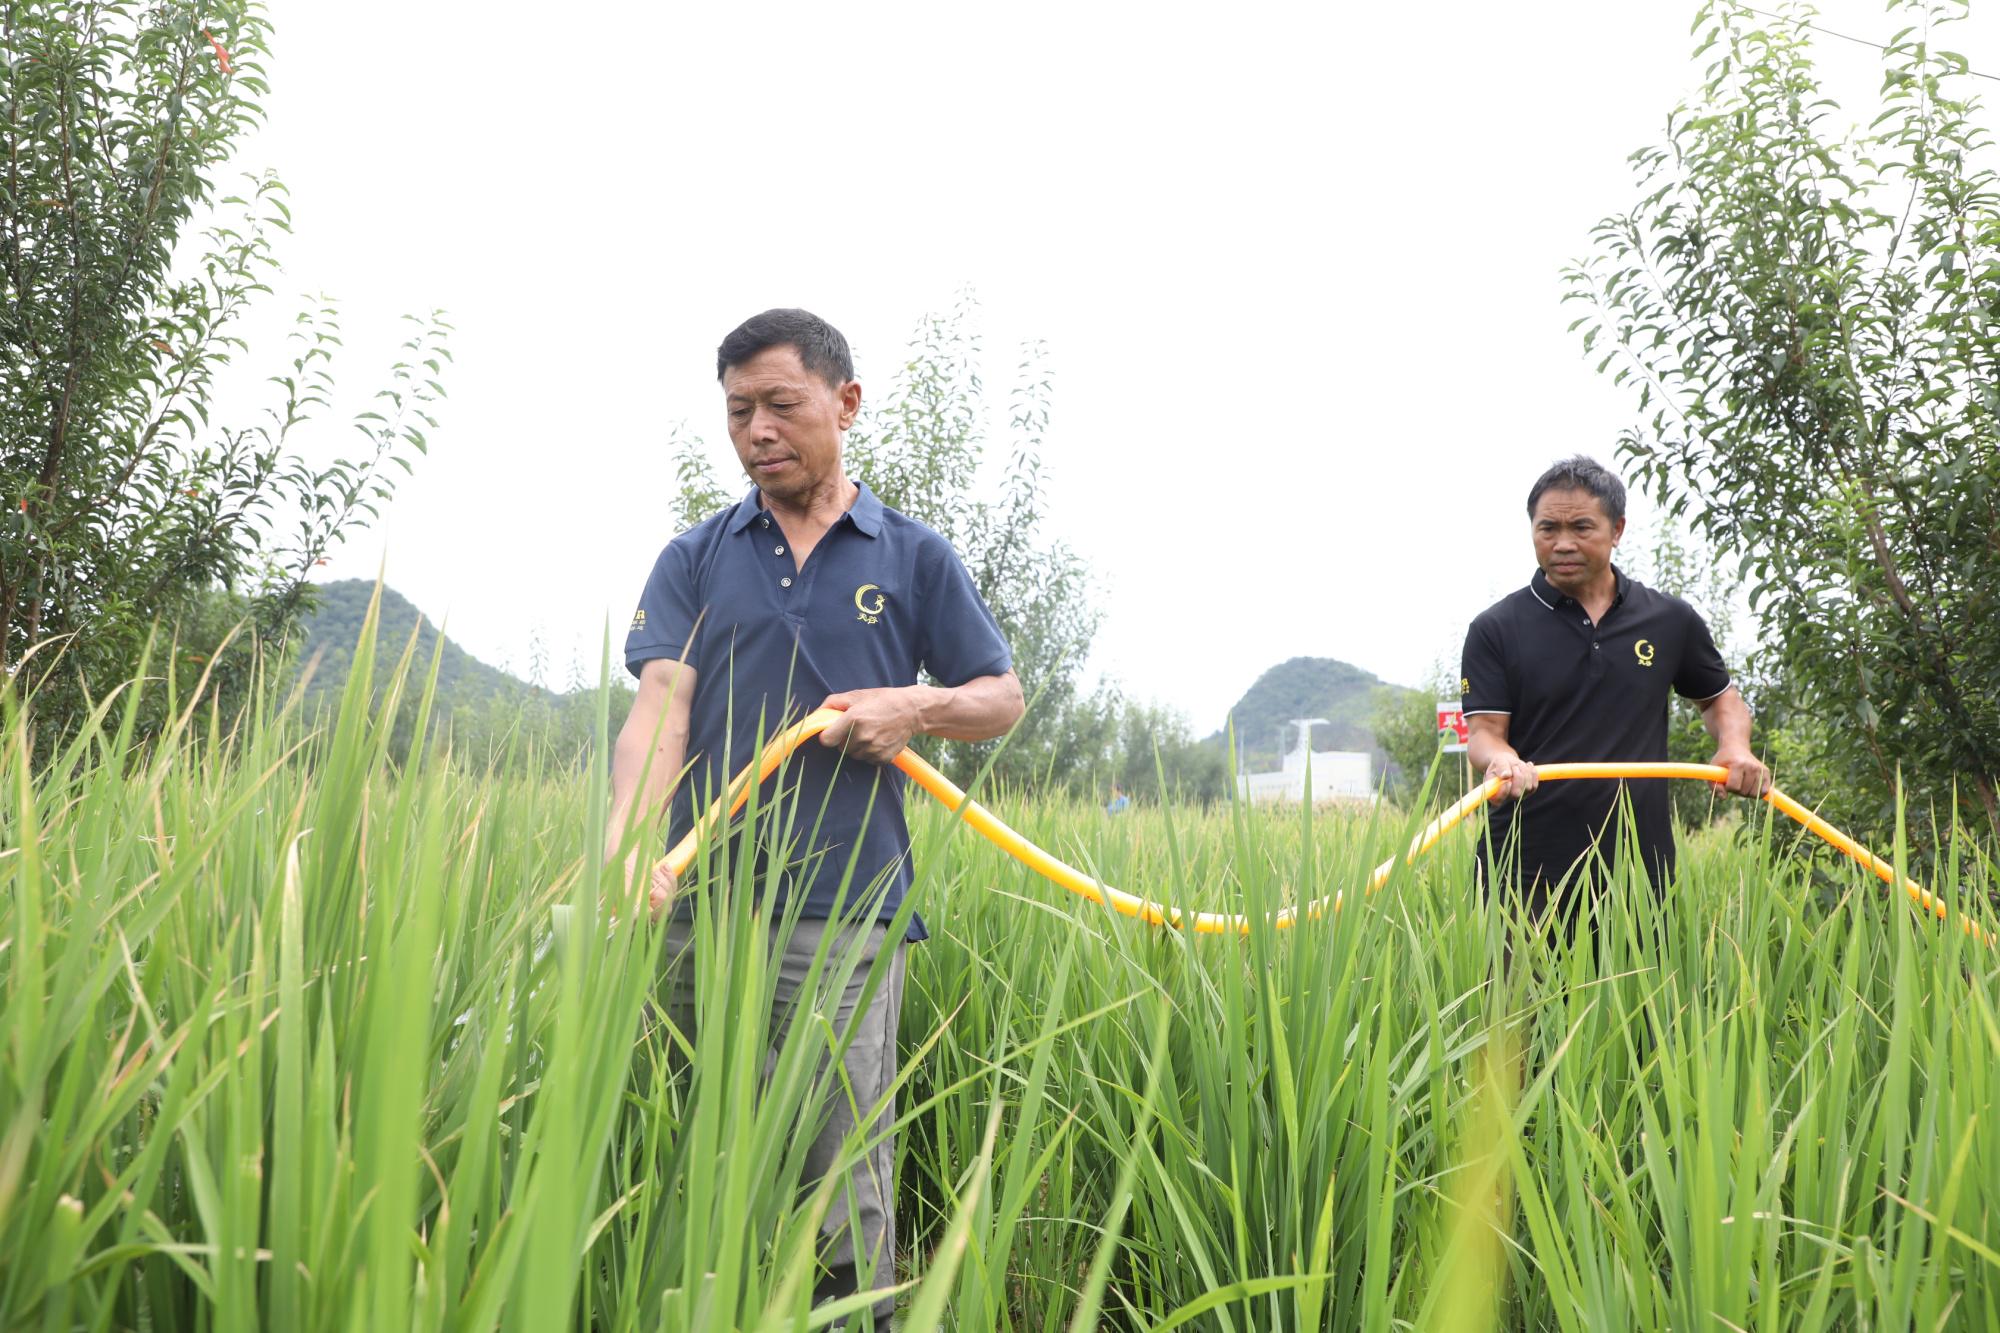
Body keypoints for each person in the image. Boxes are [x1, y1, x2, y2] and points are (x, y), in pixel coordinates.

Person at [605, 308, 1024, 1325]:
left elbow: (998, 696)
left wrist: (912, 705)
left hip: (845, 909)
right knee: (695, 1156)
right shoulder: (696, 557)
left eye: (779, 404)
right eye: (738, 410)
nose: (756, 428)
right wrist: (625, 855)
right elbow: (659, 709)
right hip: (697, 904)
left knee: (839, 1175)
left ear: (843, 403)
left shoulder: (913, 556)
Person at [1460, 455, 1770, 931]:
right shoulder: (1497, 628)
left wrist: (1734, 746)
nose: (1563, 543)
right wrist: (1502, 760)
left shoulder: (1668, 620)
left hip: (1638, 871)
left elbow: (1720, 700)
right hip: (1522, 872)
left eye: (1582, 527)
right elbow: (1484, 733)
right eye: (1548, 529)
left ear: (1617, 529)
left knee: (1639, 1006)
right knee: (1515, 1004)